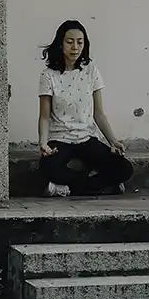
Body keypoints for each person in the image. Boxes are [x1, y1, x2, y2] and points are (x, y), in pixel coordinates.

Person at [38, 20, 134, 197]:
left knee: (125, 168)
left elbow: (99, 113)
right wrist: (43, 143)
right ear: (61, 43)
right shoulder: (48, 75)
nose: (75, 47)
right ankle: (102, 186)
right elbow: (44, 116)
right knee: (47, 167)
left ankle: (68, 188)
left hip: (87, 138)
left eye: (80, 42)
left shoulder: (91, 71)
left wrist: (113, 141)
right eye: (70, 41)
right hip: (61, 139)